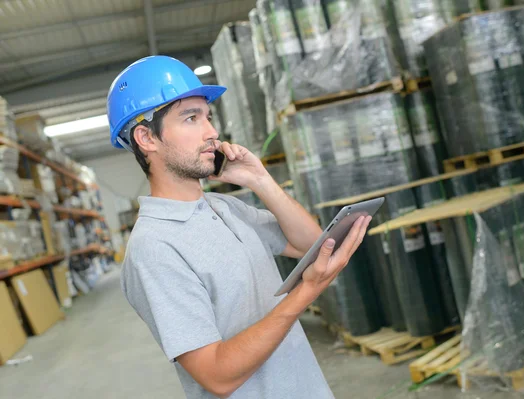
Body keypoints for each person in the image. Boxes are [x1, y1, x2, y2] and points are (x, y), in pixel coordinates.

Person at [106, 55, 372, 398]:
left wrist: (260, 179)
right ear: (146, 138)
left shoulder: (224, 207)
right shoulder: (154, 247)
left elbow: (314, 245)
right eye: (191, 118)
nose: (212, 132)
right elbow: (217, 375)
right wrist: (306, 291)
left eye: (208, 117)